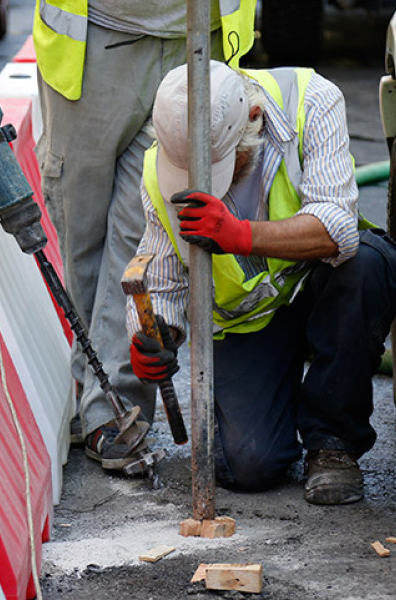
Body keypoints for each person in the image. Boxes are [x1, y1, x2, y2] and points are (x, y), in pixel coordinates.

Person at [127, 61, 396, 505]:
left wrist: (240, 235)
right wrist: (156, 335)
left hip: (322, 285)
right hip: (251, 322)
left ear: (253, 120)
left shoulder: (310, 100)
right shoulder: (158, 168)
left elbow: (338, 228)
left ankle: (332, 442)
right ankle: (280, 396)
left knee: (369, 266)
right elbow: (163, 274)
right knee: (249, 464)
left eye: (223, 166)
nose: (211, 185)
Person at [32, 1, 257, 467]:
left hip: (197, 35)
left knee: (146, 225)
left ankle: (113, 404)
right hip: (95, 37)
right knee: (82, 225)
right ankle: (90, 378)